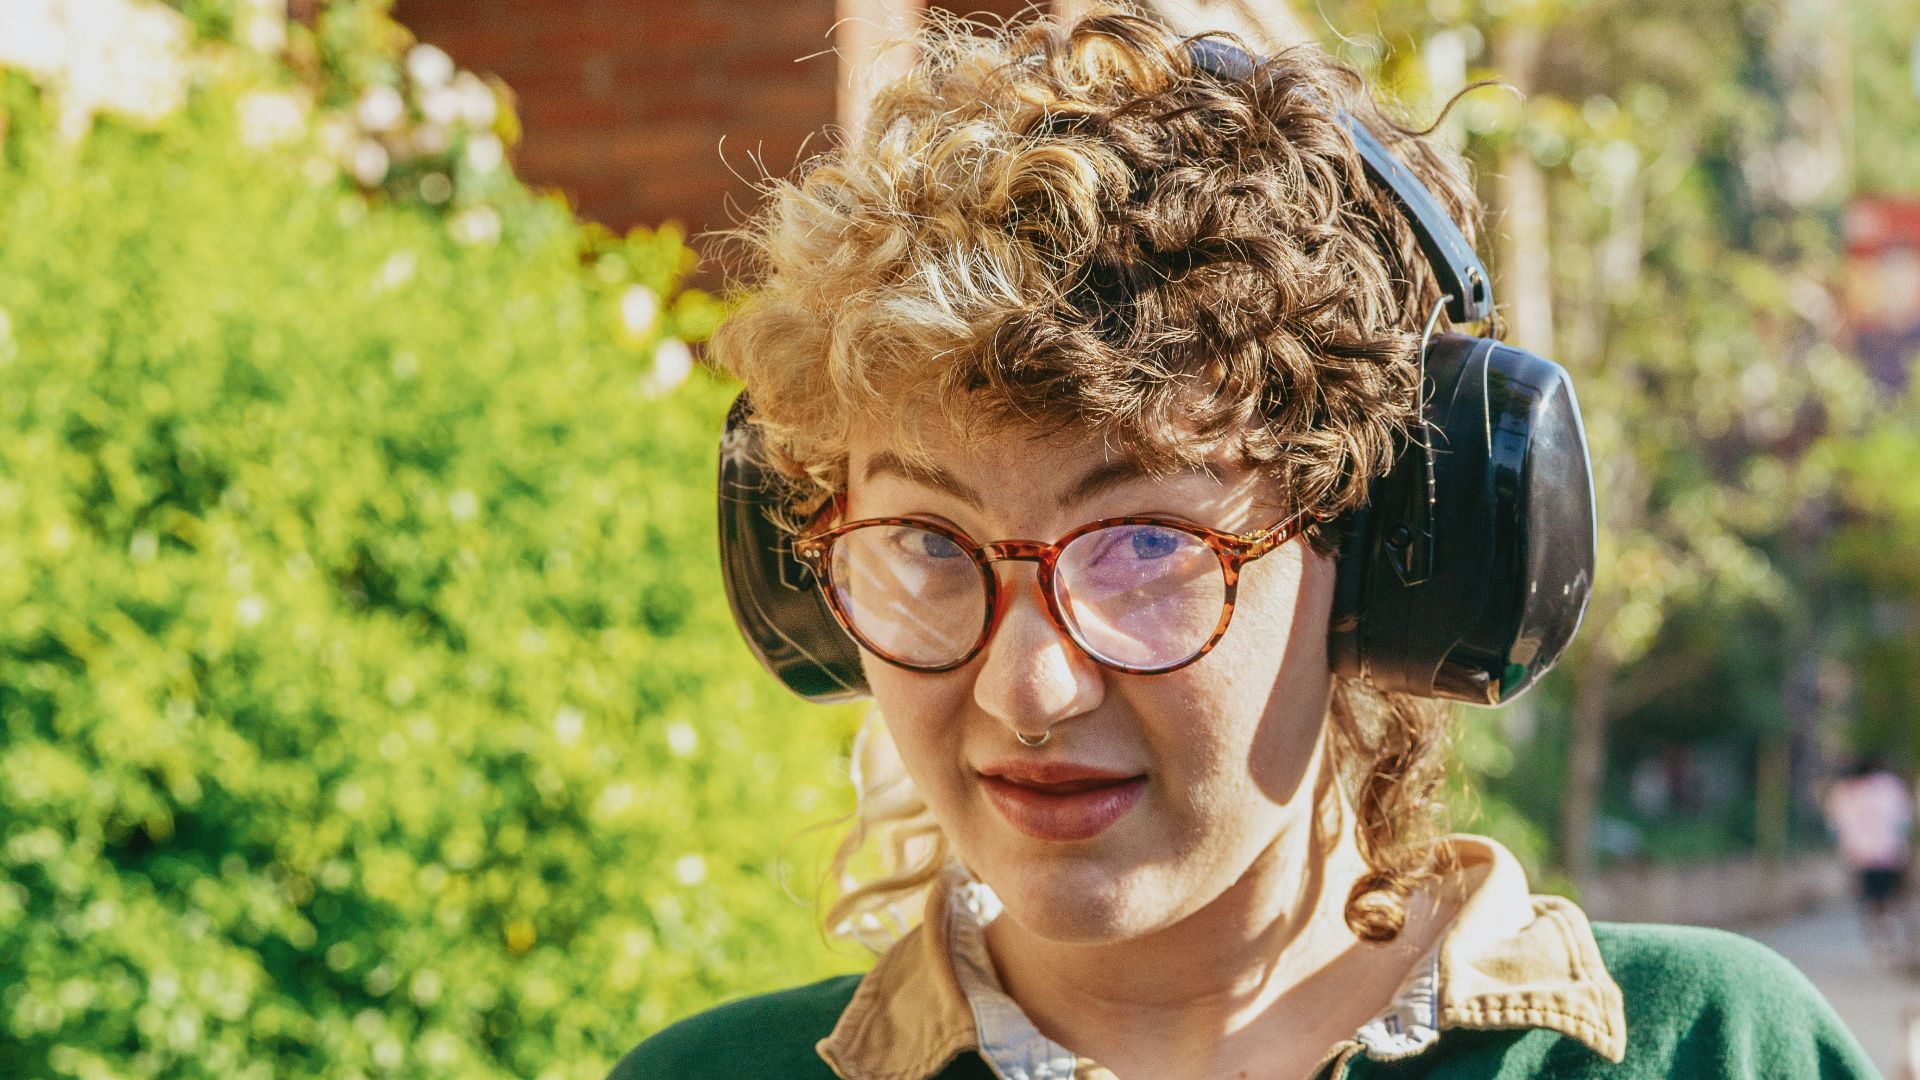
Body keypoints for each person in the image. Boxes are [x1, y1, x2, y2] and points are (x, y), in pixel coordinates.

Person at [616, 9, 1875, 1078]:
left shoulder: (1713, 1048)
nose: (1028, 689)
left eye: (1147, 547)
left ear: (1392, 559)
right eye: (931, 548)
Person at [1824, 755, 1914, 959]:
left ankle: (1881, 936)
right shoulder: (1891, 786)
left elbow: (1834, 827)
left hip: (1861, 856)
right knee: (1889, 896)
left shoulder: (1843, 792)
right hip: (1890, 853)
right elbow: (1904, 821)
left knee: (1872, 898)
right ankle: (1889, 934)